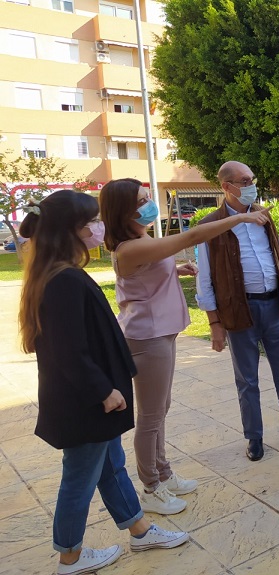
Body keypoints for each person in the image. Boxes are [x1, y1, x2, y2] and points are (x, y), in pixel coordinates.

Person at [17, 190, 188, 575]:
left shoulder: (61, 274)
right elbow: (69, 351)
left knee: (111, 465)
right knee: (79, 476)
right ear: (71, 231)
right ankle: (70, 556)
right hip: (84, 401)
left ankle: (140, 530)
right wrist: (104, 391)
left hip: (87, 398)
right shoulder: (63, 282)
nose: (99, 228)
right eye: (91, 223)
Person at [99, 178, 271, 514]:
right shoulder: (130, 247)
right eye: (142, 199)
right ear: (124, 209)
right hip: (146, 337)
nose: (150, 203)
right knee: (150, 416)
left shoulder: (140, 240)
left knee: (160, 409)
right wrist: (239, 218)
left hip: (161, 333)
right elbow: (191, 237)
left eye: (149, 197)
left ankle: (163, 473)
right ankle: (150, 487)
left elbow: (145, 273)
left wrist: (174, 270)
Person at [195, 161, 279, 462]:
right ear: (226, 187)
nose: (250, 185)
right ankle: (254, 438)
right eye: (244, 180)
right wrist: (214, 322)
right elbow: (205, 279)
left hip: (273, 306)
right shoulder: (209, 227)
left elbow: (278, 258)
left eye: (252, 179)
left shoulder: (264, 217)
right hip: (238, 311)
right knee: (247, 379)